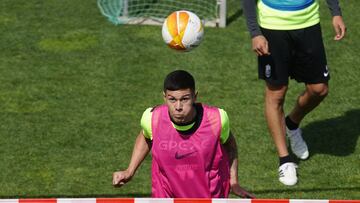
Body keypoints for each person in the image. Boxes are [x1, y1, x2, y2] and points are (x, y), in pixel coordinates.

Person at [242, 0, 346, 186]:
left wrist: (335, 12)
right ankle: (285, 160)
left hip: (308, 22)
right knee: (277, 93)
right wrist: (255, 33)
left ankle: (291, 123)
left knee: (319, 89)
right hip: (272, 26)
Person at [112, 70, 254, 198]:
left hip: (208, 197)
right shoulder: (152, 119)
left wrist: (234, 182)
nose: (178, 107)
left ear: (194, 96)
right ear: (164, 97)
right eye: (172, 99)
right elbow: (145, 136)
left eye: (184, 99)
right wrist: (129, 171)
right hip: (166, 196)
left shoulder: (216, 119)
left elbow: (230, 145)